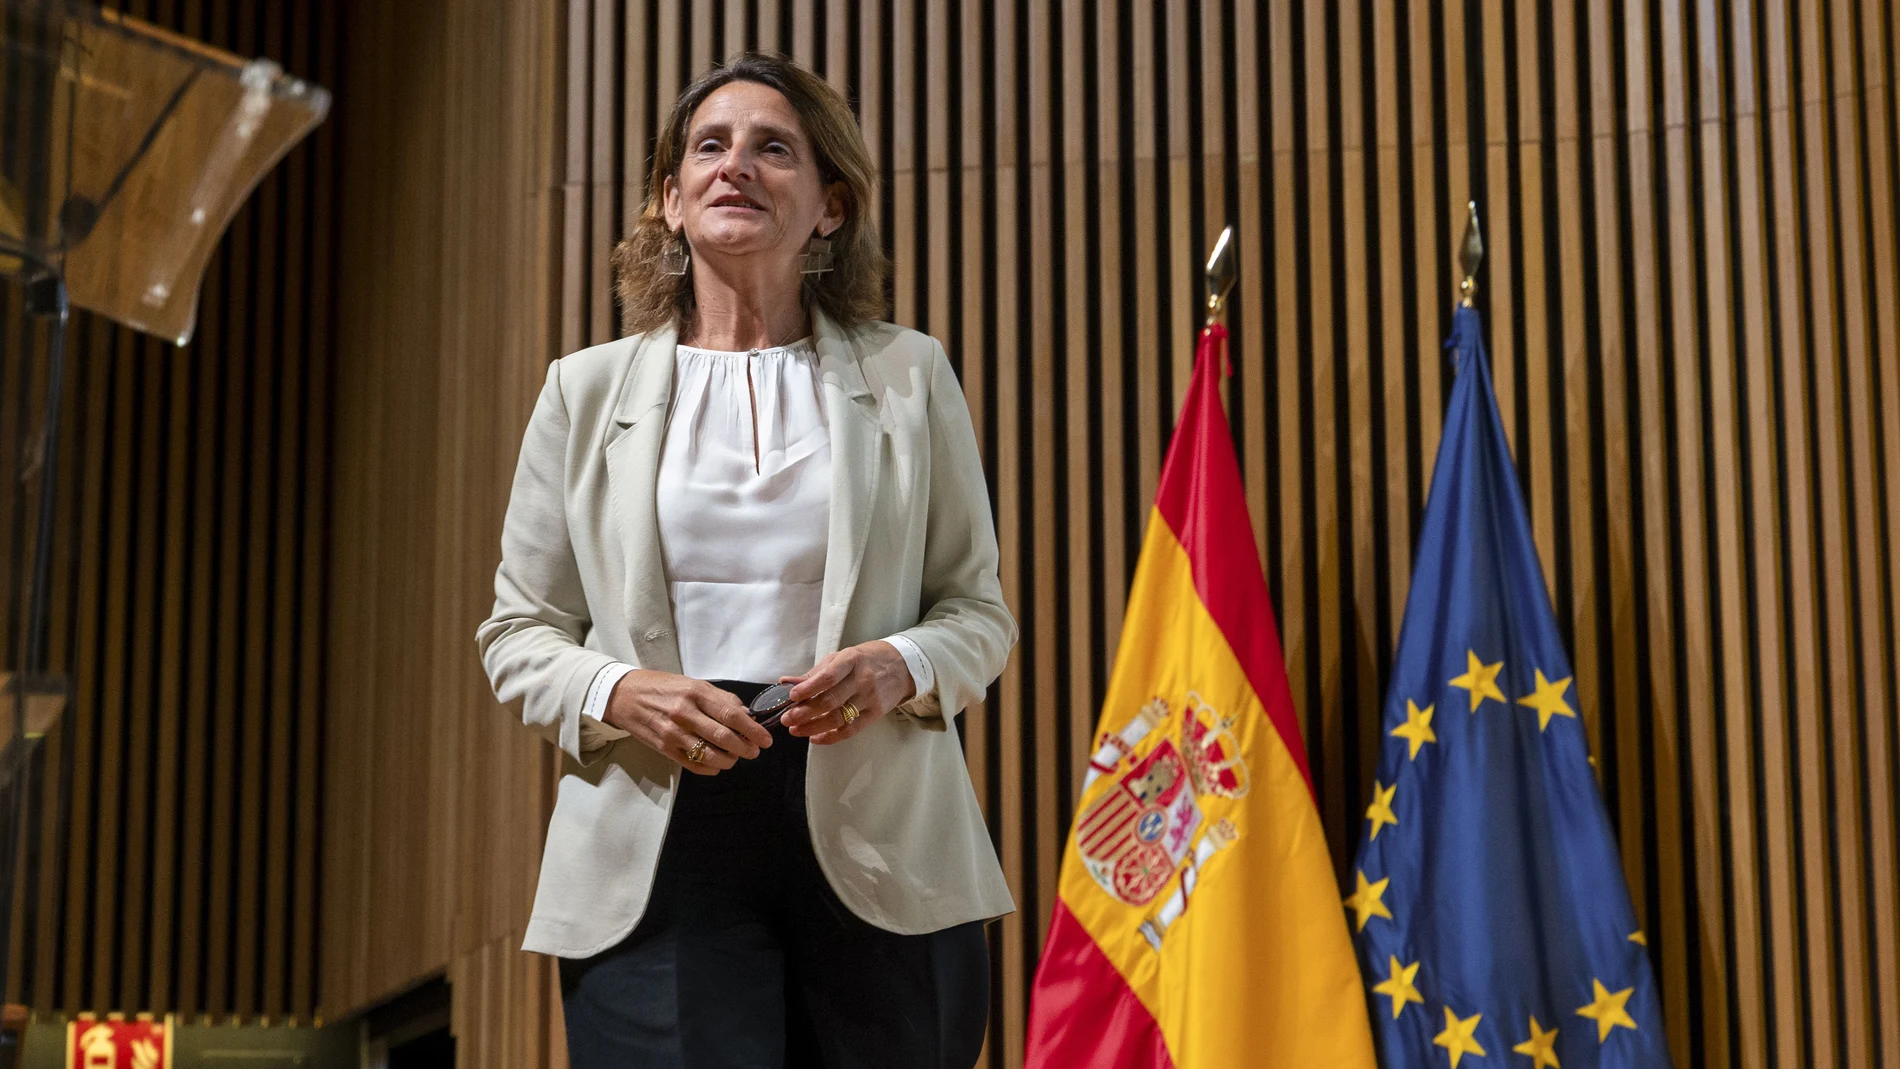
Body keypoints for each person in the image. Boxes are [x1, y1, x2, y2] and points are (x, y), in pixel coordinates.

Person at [476, 51, 1016, 1069]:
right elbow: (517, 632)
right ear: (668, 202)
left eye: (774, 148)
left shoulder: (910, 374)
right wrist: (619, 689)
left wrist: (900, 663)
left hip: (883, 834)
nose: (735, 167)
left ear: (829, 206)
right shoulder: (581, 393)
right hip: (658, 843)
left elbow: (977, 613)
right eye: (708, 148)